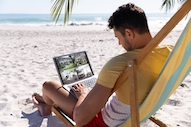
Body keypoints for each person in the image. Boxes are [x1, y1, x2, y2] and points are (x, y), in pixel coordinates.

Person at [32, 3, 171, 127]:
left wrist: (84, 95)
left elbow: (81, 119)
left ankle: (46, 106)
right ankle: (48, 102)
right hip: (140, 113)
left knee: (49, 86)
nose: (119, 44)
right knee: (81, 91)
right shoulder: (170, 53)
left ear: (128, 33)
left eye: (118, 37)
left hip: (101, 122)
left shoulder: (121, 63)